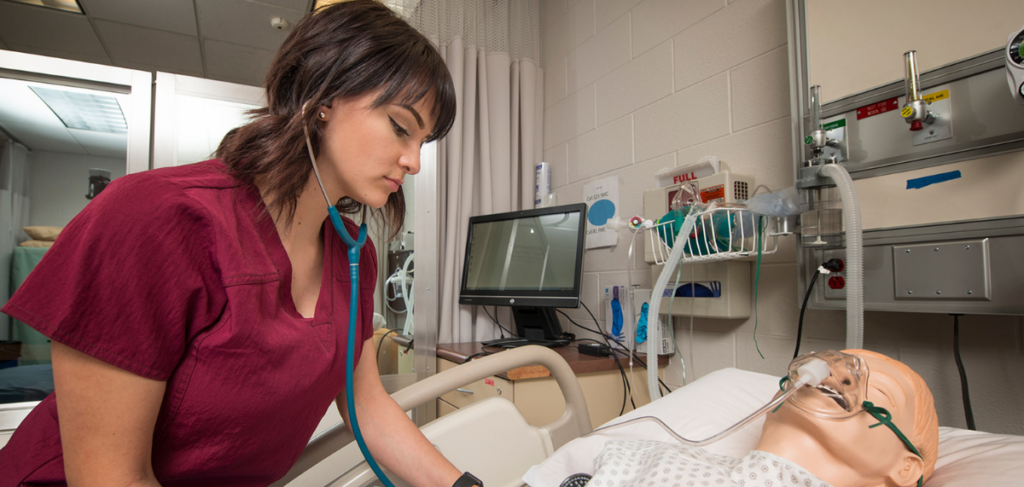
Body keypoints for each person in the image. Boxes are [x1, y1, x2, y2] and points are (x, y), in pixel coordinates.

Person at [0, 2, 471, 486]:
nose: (414, 161)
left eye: (423, 141)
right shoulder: (155, 218)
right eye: (400, 126)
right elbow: (110, 476)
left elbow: (367, 405)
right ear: (323, 96)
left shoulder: (353, 255)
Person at [584, 350, 939, 487]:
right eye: (830, 365)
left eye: (882, 391)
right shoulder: (641, 456)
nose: (834, 375)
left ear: (907, 469)